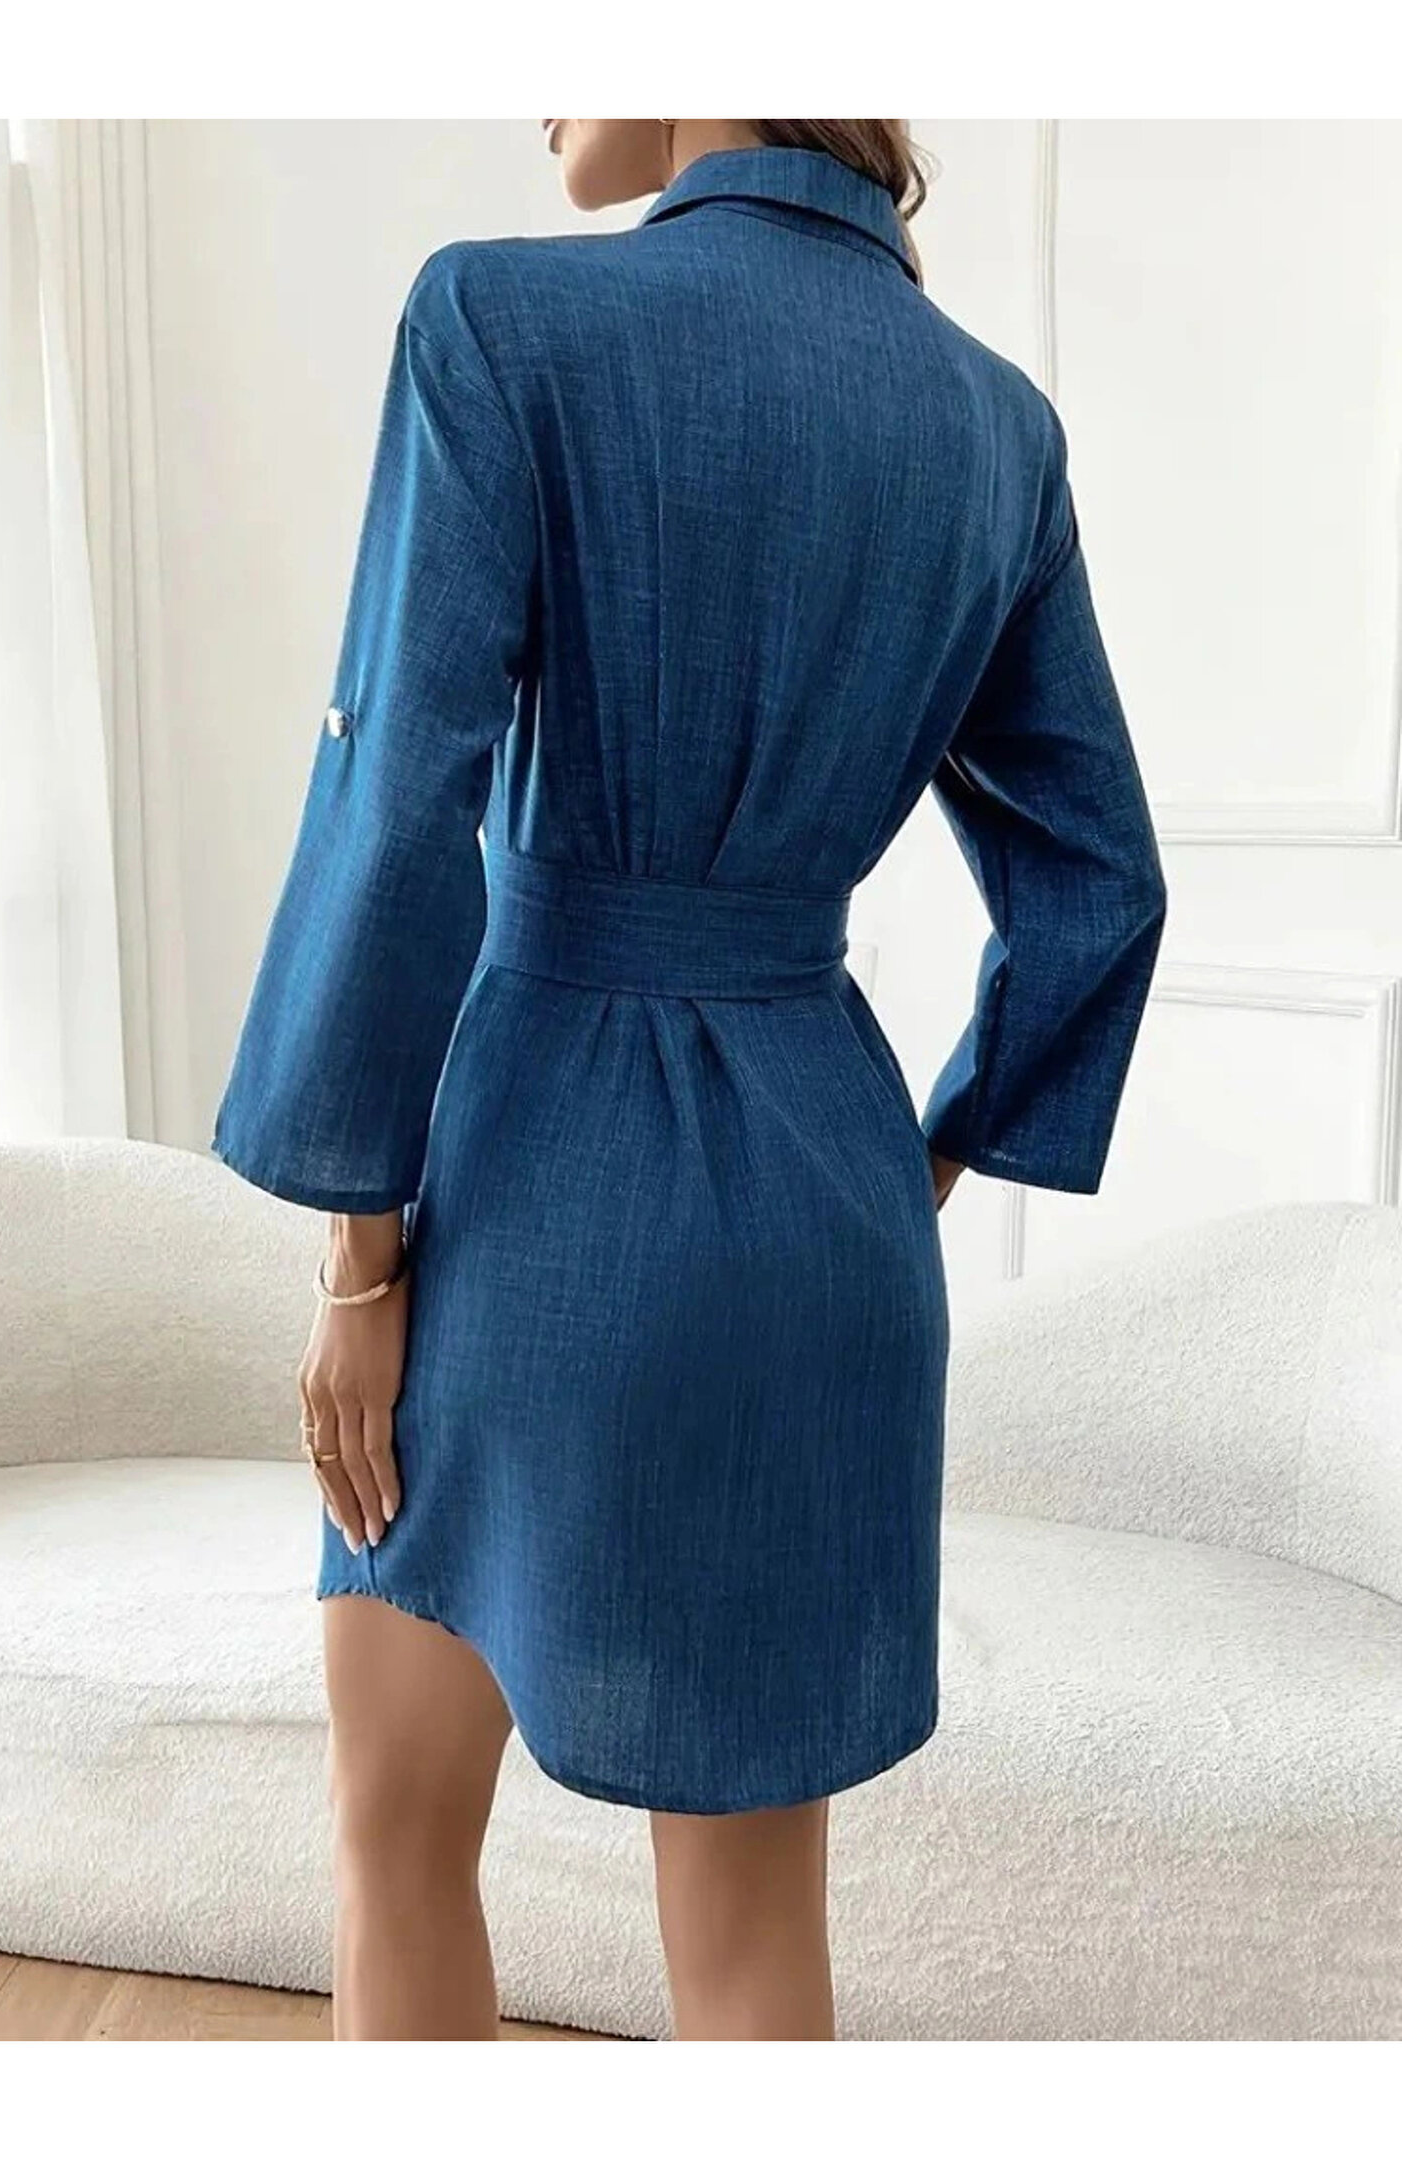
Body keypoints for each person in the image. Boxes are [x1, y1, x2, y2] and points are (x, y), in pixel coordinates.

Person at [211, 118, 1167, 2042]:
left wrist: (359, 1270)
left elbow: (399, 807)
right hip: (825, 1207)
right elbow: (1102, 884)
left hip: (536, 1191)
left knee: (399, 1840)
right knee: (750, 1947)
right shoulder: (995, 426)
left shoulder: (500, 321)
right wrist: (918, 1166)